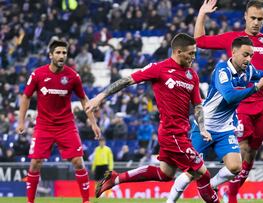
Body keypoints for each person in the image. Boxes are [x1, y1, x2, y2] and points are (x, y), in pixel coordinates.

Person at [193, 1, 263, 201]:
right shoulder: (233, 39)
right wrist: (202, 14)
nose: (256, 22)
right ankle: (218, 188)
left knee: (251, 155)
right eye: (253, 18)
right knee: (242, 148)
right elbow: (200, 40)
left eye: (260, 19)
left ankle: (232, 192)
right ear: (245, 16)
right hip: (240, 104)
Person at [85, 33, 220, 203]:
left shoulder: (192, 75)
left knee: (165, 174)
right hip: (172, 134)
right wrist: (100, 97)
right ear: (178, 52)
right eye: (190, 53)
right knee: (203, 173)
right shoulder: (159, 69)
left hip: (181, 132)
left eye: (195, 53)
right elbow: (127, 80)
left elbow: (198, 105)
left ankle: (116, 179)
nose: (194, 57)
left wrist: (202, 128)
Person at [167, 37, 263, 202]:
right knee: (191, 172)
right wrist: (255, 88)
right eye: (246, 55)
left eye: (251, 56)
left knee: (235, 167)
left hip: (224, 129)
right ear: (234, 52)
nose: (249, 59)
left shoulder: (248, 71)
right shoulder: (222, 70)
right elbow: (230, 96)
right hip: (205, 126)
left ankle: (211, 186)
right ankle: (170, 201)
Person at [16, 39, 101, 203]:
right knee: (35, 163)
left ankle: (86, 201)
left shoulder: (73, 76)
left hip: (66, 126)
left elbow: (84, 99)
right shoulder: (38, 74)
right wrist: (21, 121)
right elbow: (26, 96)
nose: (62, 55)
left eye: (64, 53)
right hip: (44, 126)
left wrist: (93, 123)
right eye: (58, 52)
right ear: (51, 55)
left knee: (78, 162)